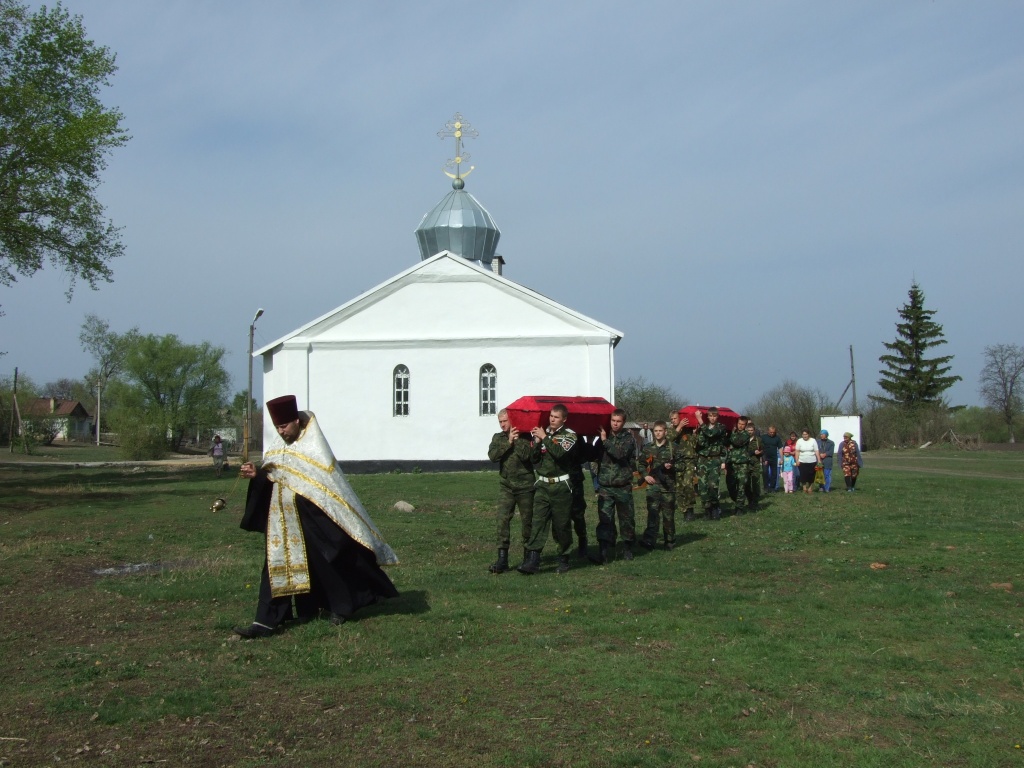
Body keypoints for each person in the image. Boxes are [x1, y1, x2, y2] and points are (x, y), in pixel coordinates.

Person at [234, 395, 399, 639]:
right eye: (277, 427)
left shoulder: (314, 448)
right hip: (282, 521)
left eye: (284, 426)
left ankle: (342, 606)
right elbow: (272, 476)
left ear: (296, 422)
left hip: (313, 518)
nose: (281, 432)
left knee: (329, 561)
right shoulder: (278, 448)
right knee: (275, 566)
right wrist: (257, 474)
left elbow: (325, 486)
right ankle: (265, 622)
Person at [518, 404, 578, 575]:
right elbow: (534, 458)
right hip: (543, 485)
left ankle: (564, 558)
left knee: (561, 525)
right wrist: (536, 443)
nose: (552, 419)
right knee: (538, 522)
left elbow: (559, 452)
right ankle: (533, 561)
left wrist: (544, 437)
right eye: (551, 416)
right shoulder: (545, 434)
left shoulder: (570, 435)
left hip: (560, 486)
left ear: (564, 419)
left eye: (556, 417)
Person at [486, 408, 535, 573]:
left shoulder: (525, 436)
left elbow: (527, 456)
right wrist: (508, 442)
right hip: (507, 486)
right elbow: (492, 456)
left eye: (504, 421)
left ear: (512, 420)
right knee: (502, 520)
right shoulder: (498, 438)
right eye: (500, 422)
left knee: (527, 522)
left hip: (525, 486)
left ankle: (528, 557)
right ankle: (502, 559)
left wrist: (517, 440)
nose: (502, 424)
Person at [592, 408, 638, 563]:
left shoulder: (628, 438)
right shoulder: (603, 436)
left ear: (623, 422)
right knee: (605, 519)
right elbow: (592, 455)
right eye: (613, 421)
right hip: (605, 486)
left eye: (618, 421)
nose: (615, 424)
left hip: (622, 485)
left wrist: (605, 440)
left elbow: (620, 454)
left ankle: (627, 548)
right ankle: (604, 551)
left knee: (626, 518)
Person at [638, 421, 676, 549]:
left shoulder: (673, 448)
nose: (658, 433)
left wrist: (672, 466)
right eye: (656, 431)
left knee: (668, 515)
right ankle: (649, 540)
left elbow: (683, 464)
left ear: (665, 431)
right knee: (652, 514)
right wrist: (645, 476)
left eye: (660, 431)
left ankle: (669, 540)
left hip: (668, 487)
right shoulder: (648, 447)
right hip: (653, 486)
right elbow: (641, 464)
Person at [694, 407, 729, 519]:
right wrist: (697, 433)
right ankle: (707, 510)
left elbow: (711, 434)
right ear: (708, 416)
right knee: (702, 487)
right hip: (703, 459)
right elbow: (701, 443)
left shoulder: (721, 427)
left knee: (713, 486)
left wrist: (700, 421)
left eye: (715, 416)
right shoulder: (702, 427)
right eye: (710, 416)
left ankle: (715, 507)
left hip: (714, 459)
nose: (713, 418)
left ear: (717, 417)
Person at [670, 410, 699, 522]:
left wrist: (695, 433)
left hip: (689, 461)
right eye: (671, 419)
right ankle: (684, 510)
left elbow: (695, 444)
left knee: (688, 484)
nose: (673, 420)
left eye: (675, 418)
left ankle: (690, 509)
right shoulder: (671, 430)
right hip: (677, 462)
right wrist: (678, 428)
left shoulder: (689, 430)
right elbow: (669, 439)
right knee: (679, 488)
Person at [725, 415, 751, 511]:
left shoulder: (746, 434)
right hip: (732, 463)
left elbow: (737, 442)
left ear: (745, 425)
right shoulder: (733, 433)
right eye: (739, 423)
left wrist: (731, 433)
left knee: (741, 485)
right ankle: (738, 500)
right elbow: (726, 442)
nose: (740, 426)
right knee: (730, 485)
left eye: (742, 424)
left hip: (742, 463)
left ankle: (739, 507)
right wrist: (726, 433)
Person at [794, 429, 821, 494]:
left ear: (808, 434)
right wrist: (796, 460)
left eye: (806, 434)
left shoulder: (813, 440)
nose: (804, 436)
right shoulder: (799, 441)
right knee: (803, 475)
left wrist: (819, 460)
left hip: (812, 460)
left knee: (811, 475)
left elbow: (816, 451)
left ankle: (810, 488)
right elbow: (797, 451)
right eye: (803, 434)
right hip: (802, 460)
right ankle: (804, 488)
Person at [744, 422, 763, 511]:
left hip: (755, 464)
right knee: (746, 484)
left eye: (751, 430)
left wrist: (760, 452)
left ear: (754, 431)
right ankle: (750, 500)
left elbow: (763, 449)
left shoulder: (758, 440)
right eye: (748, 430)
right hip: (746, 464)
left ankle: (755, 502)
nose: (750, 432)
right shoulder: (743, 440)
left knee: (755, 484)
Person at [760, 425, 784, 492]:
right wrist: (761, 457)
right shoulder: (763, 437)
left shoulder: (777, 438)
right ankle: (766, 487)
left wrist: (782, 458)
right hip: (765, 457)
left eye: (773, 432)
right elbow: (760, 447)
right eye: (770, 432)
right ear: (768, 431)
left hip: (774, 458)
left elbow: (780, 448)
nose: (772, 433)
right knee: (765, 472)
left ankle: (772, 488)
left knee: (774, 473)